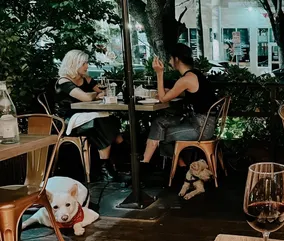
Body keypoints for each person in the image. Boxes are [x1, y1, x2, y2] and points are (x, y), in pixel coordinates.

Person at [141, 43, 217, 170]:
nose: (170, 61)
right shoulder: (194, 75)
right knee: (159, 122)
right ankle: (177, 166)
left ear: (177, 59)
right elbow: (182, 92)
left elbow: (163, 99)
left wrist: (159, 73)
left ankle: (146, 166)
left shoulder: (186, 79)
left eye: (170, 58)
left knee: (161, 134)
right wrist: (167, 91)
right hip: (203, 123)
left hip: (200, 128)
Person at [55, 49, 125, 181]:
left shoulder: (85, 78)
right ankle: (106, 167)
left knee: (109, 119)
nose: (87, 66)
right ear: (73, 64)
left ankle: (113, 164)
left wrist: (97, 94)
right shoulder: (64, 82)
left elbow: (103, 91)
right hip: (69, 121)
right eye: (84, 63)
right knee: (101, 123)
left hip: (87, 116)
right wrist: (95, 95)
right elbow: (86, 98)